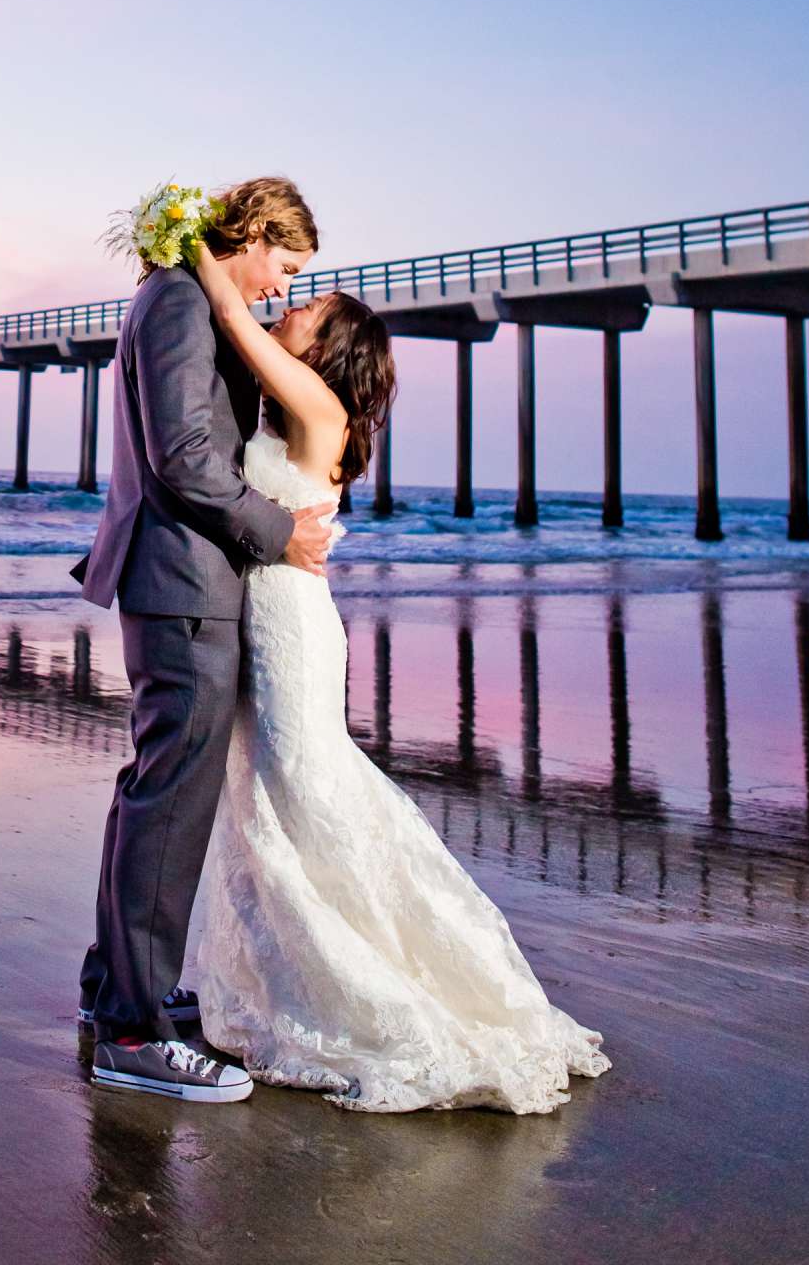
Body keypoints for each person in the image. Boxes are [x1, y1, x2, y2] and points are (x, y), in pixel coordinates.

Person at [187, 242, 611, 1112]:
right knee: (271, 799)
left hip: (292, 629)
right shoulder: (290, 408)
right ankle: (293, 989)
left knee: (308, 791)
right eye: (297, 295)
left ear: (333, 347)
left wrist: (190, 239)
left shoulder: (319, 406)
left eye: (311, 308)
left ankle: (377, 994)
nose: (291, 307)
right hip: (271, 619)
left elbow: (231, 316)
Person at [72, 176, 337, 1102]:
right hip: (185, 584)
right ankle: (136, 1035)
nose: (281, 286)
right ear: (255, 234)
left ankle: (118, 992)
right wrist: (280, 530)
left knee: (154, 788)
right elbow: (184, 456)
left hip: (174, 581)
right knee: (172, 799)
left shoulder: (178, 295)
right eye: (286, 265)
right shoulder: (181, 301)